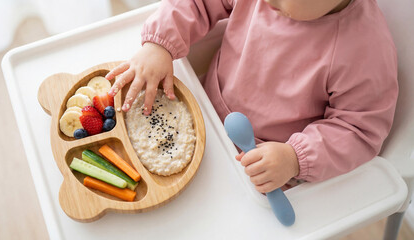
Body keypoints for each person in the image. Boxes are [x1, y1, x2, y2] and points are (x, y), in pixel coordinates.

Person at [105, 0, 398, 194]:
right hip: (202, 111)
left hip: (265, 165)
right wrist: (161, 44)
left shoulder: (364, 48)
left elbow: (358, 129)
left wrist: (296, 157)